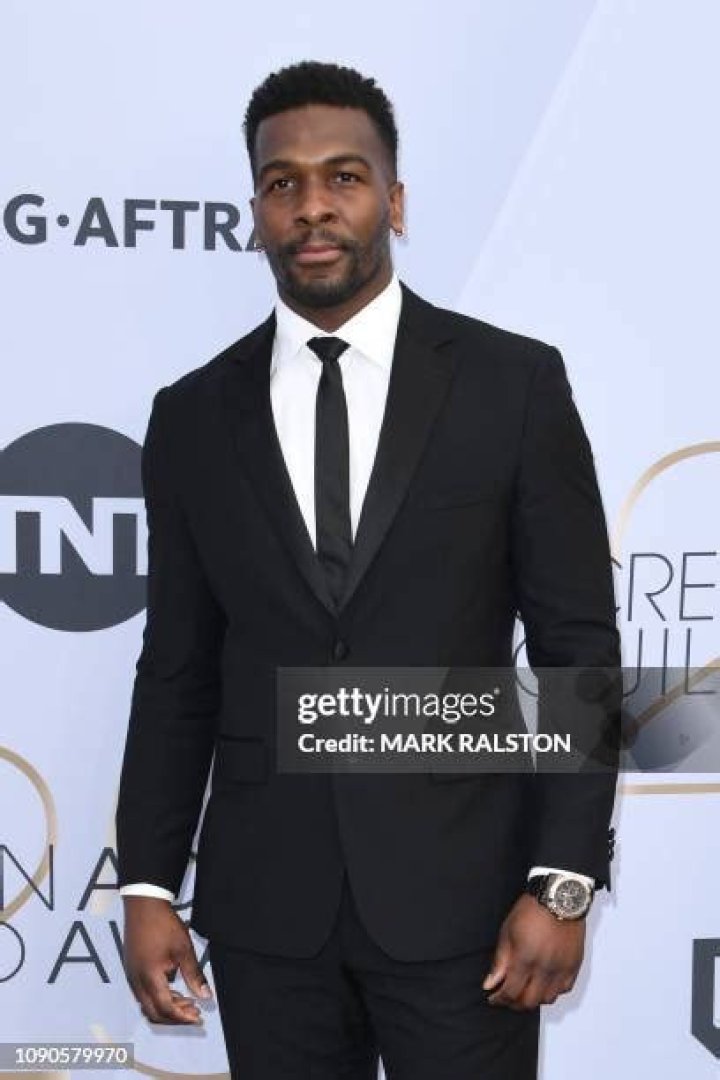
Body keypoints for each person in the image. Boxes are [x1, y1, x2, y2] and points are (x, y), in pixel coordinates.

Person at [116, 60, 620, 1080]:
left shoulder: (513, 385)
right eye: (282, 183)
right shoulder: (192, 417)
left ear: (394, 200)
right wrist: (149, 885)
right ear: (256, 213)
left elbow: (575, 646)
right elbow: (178, 667)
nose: (312, 206)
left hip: (469, 910)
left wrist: (563, 880)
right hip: (269, 918)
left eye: (343, 177)